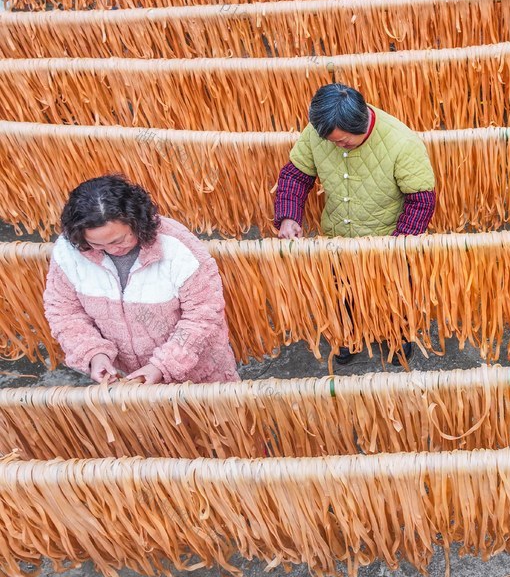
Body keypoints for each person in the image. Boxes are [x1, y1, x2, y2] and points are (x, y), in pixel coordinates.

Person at [273, 83, 436, 365]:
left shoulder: (402, 142)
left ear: (360, 124)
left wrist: (400, 243)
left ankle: (397, 337)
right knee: (343, 291)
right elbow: (295, 175)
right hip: (338, 235)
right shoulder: (318, 133)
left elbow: (421, 200)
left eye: (343, 141)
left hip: (387, 238)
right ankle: (350, 336)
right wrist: (289, 216)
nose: (337, 146)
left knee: (393, 292)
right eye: (332, 142)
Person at [43, 175, 239, 385]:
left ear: (136, 220)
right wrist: (94, 354)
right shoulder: (68, 253)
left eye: (118, 240)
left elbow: (204, 314)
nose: (112, 250)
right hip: (126, 380)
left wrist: (163, 365)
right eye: (97, 245)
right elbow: (64, 311)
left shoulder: (177, 246)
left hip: (197, 376)